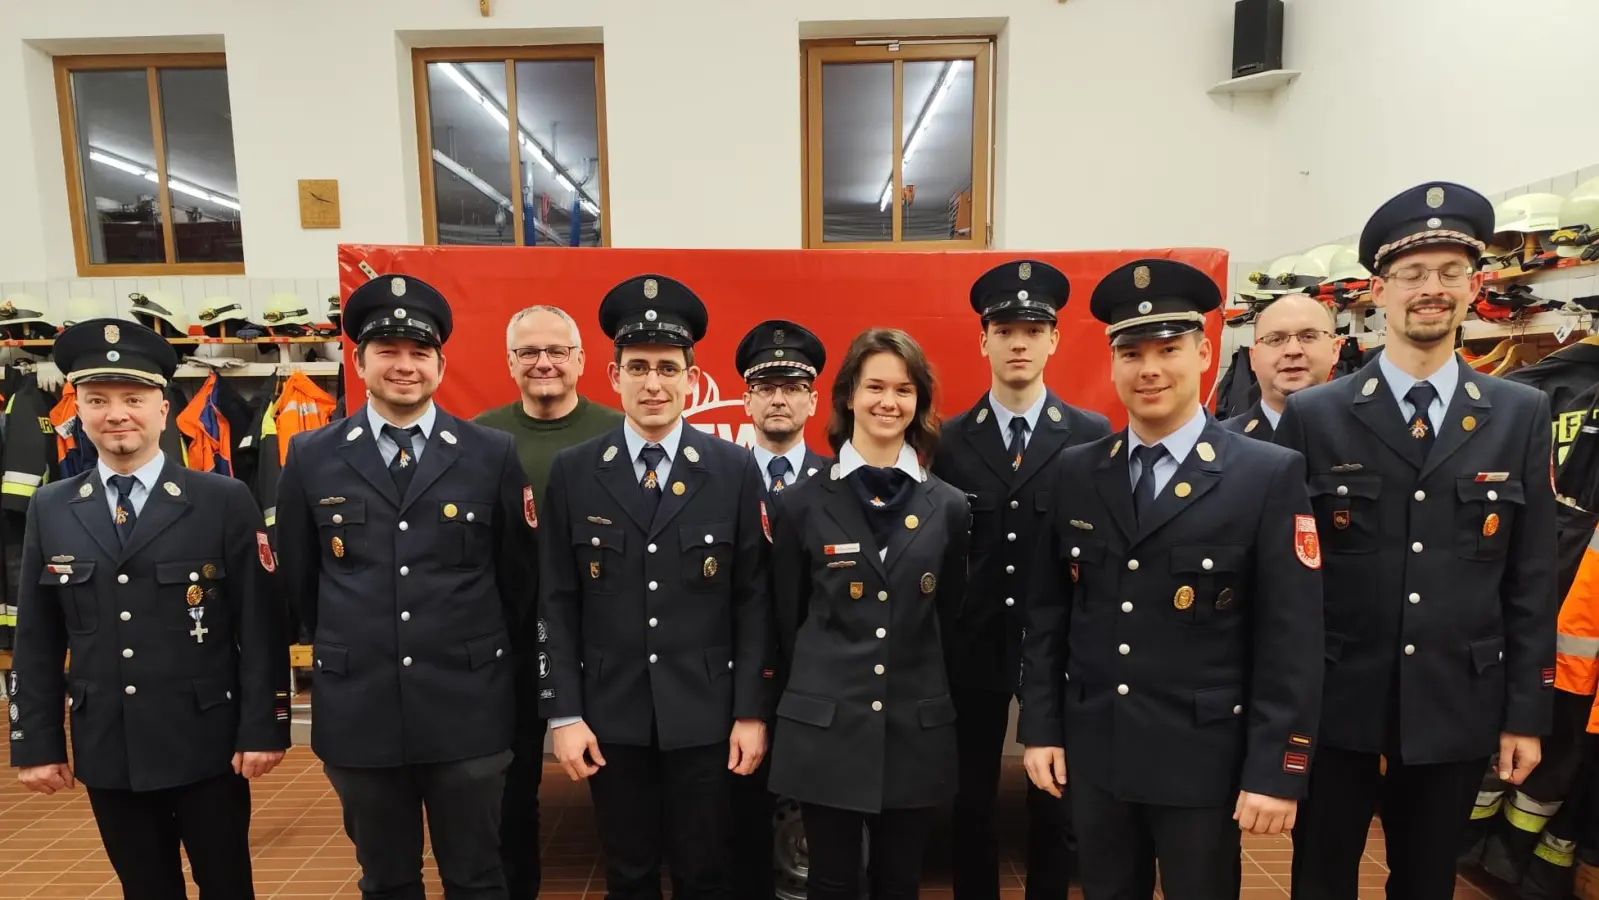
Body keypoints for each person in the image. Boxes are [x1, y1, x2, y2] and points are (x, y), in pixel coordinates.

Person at [1277, 182, 1558, 900]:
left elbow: (1528, 579)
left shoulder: (1519, 412)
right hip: (1336, 699)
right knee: (1320, 878)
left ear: (1474, 285)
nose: (1430, 289)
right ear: (1379, 290)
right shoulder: (1316, 416)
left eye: (1448, 272)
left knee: (1426, 882)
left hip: (1455, 699)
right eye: (1411, 274)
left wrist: (1525, 713)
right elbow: (1286, 577)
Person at [1019, 258, 1324, 900]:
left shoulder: (1266, 475)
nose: (1149, 368)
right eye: (1131, 352)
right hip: (1099, 756)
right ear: (1112, 364)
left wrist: (1277, 767)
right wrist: (1041, 728)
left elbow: (1290, 639)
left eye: (1168, 349)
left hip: (1204, 762)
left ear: (1205, 353)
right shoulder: (1077, 471)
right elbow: (1049, 616)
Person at [276, 274, 538, 900]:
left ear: (441, 365)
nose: (404, 366)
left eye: (419, 352)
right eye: (387, 351)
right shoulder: (311, 457)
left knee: (477, 877)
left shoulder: (489, 453)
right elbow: (299, 582)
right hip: (361, 712)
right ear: (357, 360)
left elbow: (518, 581)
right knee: (386, 879)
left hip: (467, 710)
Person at [9, 317, 289, 899]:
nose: (117, 415)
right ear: (77, 411)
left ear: (163, 409)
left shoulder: (222, 500)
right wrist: (35, 743)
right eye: (98, 400)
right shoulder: (53, 507)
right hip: (108, 744)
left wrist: (264, 727)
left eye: (133, 399)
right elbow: (38, 638)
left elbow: (259, 627)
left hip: (206, 742)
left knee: (227, 885)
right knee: (145, 888)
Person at [537, 274, 772, 900]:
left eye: (668, 367)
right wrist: (564, 712)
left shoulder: (733, 469)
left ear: (692, 380)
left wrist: (750, 710)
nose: (654, 383)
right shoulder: (575, 471)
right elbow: (555, 600)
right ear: (612, 377)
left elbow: (752, 599)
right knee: (630, 872)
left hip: (707, 713)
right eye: (637, 367)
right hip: (611, 716)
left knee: (706, 872)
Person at [768, 327, 970, 900]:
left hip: (914, 729)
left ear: (919, 402)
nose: (889, 402)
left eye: (904, 390)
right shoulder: (802, 503)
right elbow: (789, 620)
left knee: (899, 881)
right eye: (875, 386)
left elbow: (947, 619)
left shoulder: (949, 506)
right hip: (825, 728)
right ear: (848, 395)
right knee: (831, 881)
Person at [931, 259, 1111, 900]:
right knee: (970, 799)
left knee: (1055, 798)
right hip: (971, 642)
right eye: (1004, 329)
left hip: (1056, 642)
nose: (1017, 342)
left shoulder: (1090, 436)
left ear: (1054, 340)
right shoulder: (948, 440)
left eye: (1032, 330)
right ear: (982, 339)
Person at [474, 304, 622, 900]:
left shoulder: (618, 433)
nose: (544, 363)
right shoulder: (478, 439)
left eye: (557, 351)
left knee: (626, 789)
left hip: (601, 641)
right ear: (509, 362)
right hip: (505, 646)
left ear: (581, 361)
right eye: (529, 352)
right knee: (511, 790)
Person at [729, 318, 832, 900]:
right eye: (765, 386)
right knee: (739, 823)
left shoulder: (839, 482)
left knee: (823, 825)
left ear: (813, 400)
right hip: (736, 683)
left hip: (813, 683)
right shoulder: (717, 477)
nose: (778, 398)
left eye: (792, 386)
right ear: (746, 398)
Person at [1223, 292, 1344, 441]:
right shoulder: (1219, 445)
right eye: (1275, 339)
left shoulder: (1367, 438)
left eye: (1308, 337)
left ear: (1335, 350)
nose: (1292, 351)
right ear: (1253, 357)